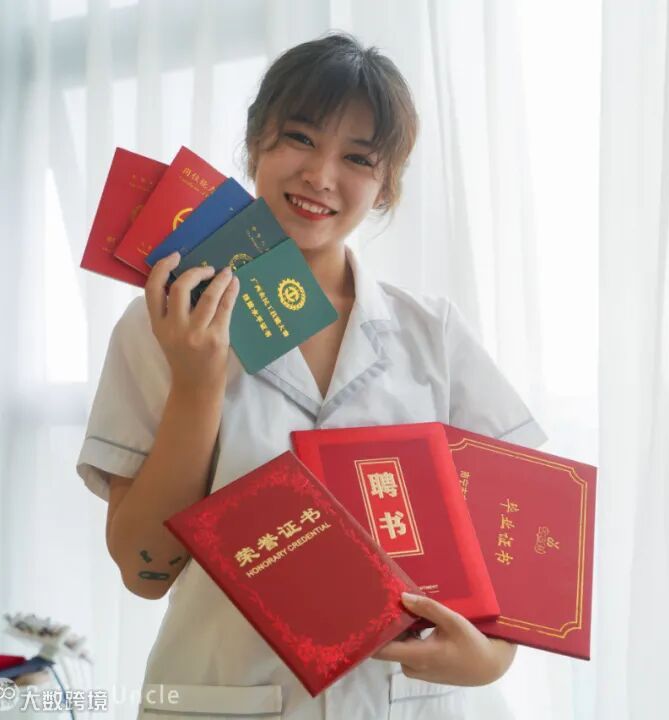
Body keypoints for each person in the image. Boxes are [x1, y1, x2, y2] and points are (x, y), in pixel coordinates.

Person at [76, 32, 545, 719]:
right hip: (225, 697)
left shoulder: (432, 334)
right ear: (255, 144)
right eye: (299, 138)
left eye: (358, 158)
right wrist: (198, 384)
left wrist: (492, 658)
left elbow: (524, 533)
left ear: (385, 186)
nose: (321, 176)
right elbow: (143, 568)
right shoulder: (163, 321)